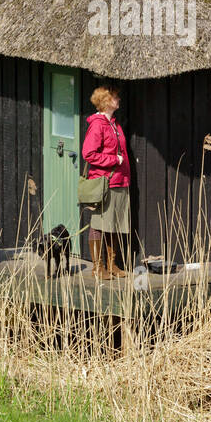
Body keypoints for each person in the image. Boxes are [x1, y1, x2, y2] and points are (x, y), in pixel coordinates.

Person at [81, 85, 131, 279]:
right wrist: (113, 160)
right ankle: (97, 267)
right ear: (106, 101)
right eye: (115, 97)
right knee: (99, 223)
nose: (118, 100)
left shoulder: (115, 125)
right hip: (105, 182)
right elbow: (88, 154)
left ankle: (112, 265)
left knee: (115, 224)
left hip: (120, 181)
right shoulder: (97, 125)